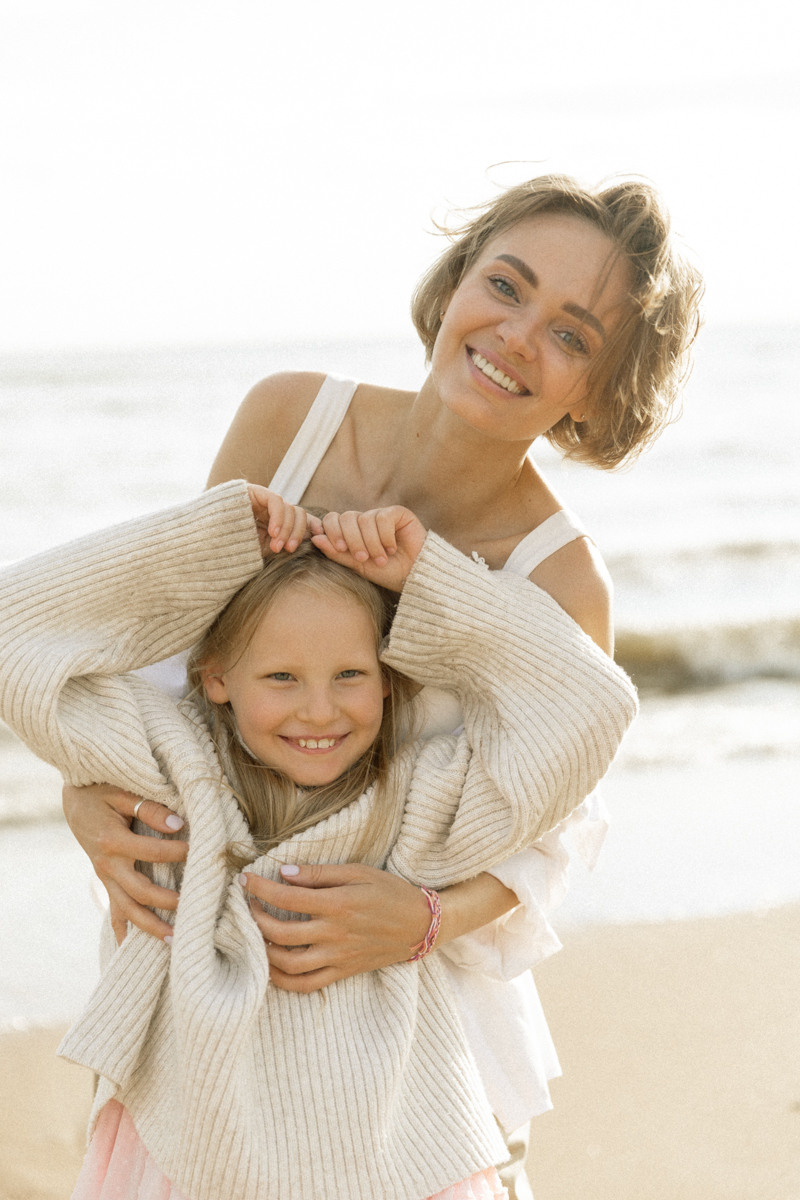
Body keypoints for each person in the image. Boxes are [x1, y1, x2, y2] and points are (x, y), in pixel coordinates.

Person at [61, 173, 703, 1197]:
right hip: (214, 972)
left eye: (573, 336)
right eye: (505, 285)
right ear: (454, 283)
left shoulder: (560, 579)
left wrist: (426, 917)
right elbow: (174, 660)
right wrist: (87, 795)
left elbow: (556, 829)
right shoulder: (286, 420)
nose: (515, 336)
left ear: (598, 391)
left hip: (400, 1022)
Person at [0, 482, 637, 1200]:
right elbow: (13, 633)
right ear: (214, 678)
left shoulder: (418, 802)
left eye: (351, 676)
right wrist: (209, 543)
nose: (319, 710)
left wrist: (433, 581)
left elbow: (595, 706)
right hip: (191, 1147)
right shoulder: (174, 766)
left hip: (389, 1156)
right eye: (280, 677)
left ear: (390, 682)